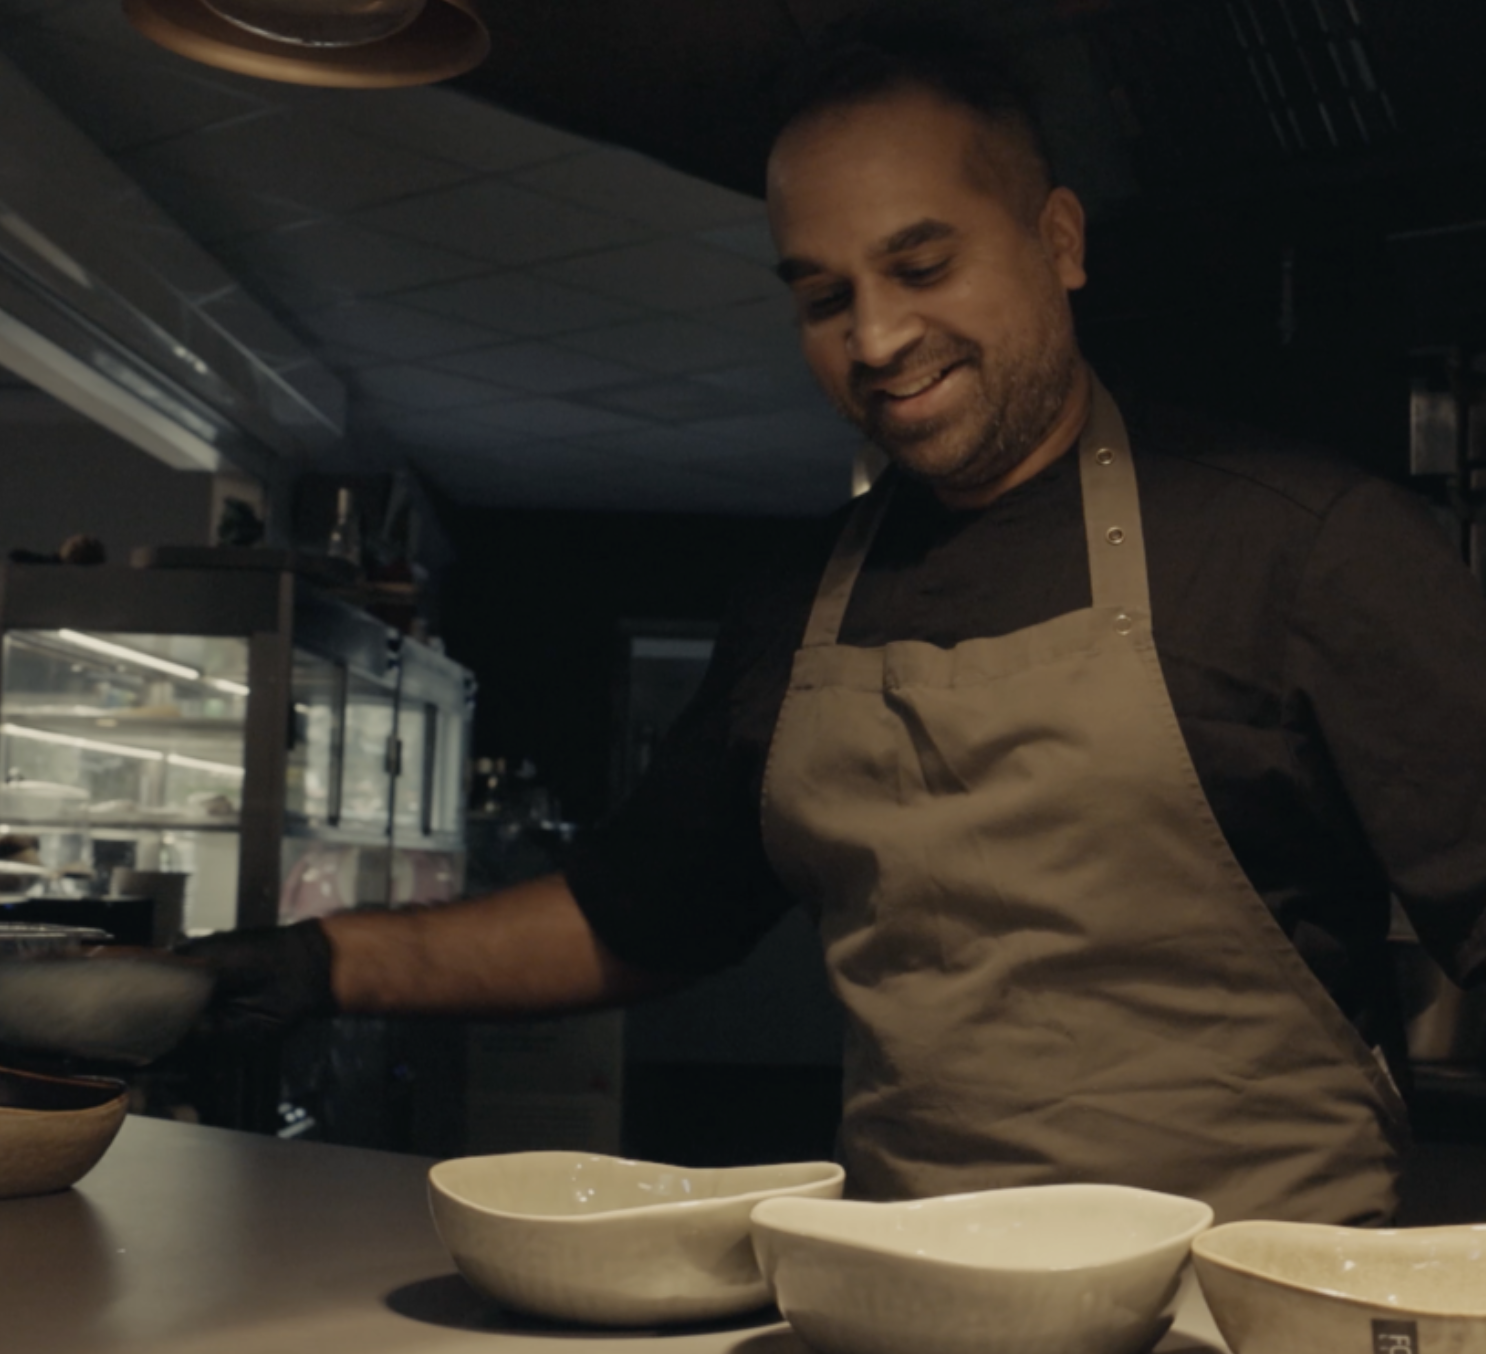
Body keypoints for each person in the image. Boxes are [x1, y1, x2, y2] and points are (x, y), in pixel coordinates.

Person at [185, 21, 1486, 1226]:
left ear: (1060, 239)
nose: (875, 335)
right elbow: (634, 915)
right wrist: (310, 961)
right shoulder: (798, 610)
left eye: (921, 264)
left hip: (1244, 1300)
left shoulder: (1308, 550)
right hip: (910, 1294)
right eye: (821, 296)